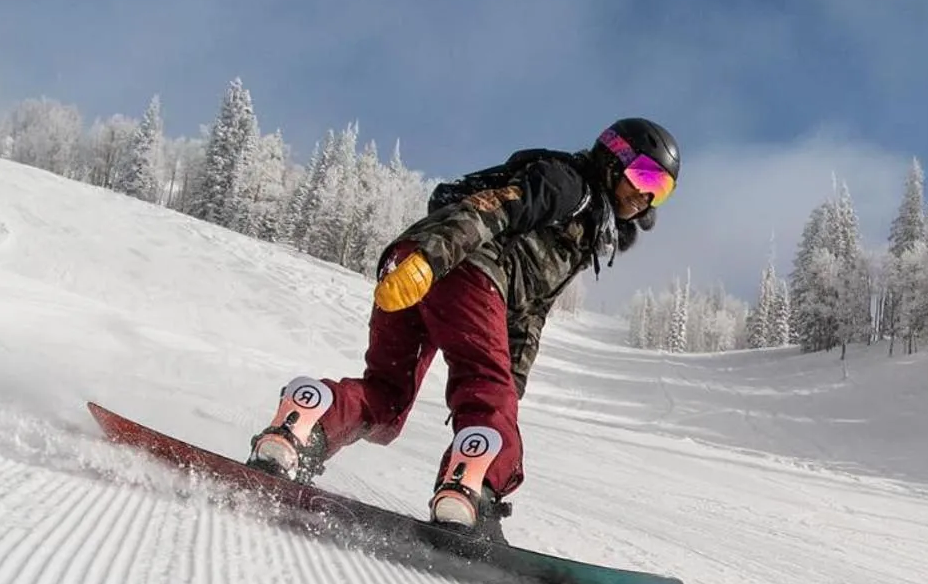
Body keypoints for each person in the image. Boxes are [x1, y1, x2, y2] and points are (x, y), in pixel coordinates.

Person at [245, 117, 681, 543]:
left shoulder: (584, 230)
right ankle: (472, 493)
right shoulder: (567, 184)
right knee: (485, 395)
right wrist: (431, 260)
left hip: (416, 262)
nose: (645, 196)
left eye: (660, 190)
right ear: (612, 159)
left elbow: (529, 313)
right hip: (457, 267)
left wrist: (511, 385)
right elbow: (492, 209)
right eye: (645, 176)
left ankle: (304, 424)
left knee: (387, 398)